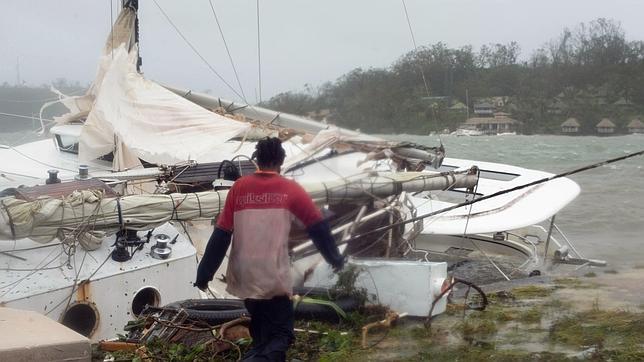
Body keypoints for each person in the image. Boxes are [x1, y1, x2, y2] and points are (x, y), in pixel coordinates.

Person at [195, 137, 344, 361]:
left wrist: (204, 274)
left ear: (257, 161)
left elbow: (221, 234)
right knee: (282, 335)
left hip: (244, 274)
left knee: (263, 332)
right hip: (272, 274)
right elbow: (318, 227)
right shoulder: (289, 189)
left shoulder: (239, 187)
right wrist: (335, 259)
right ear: (281, 162)